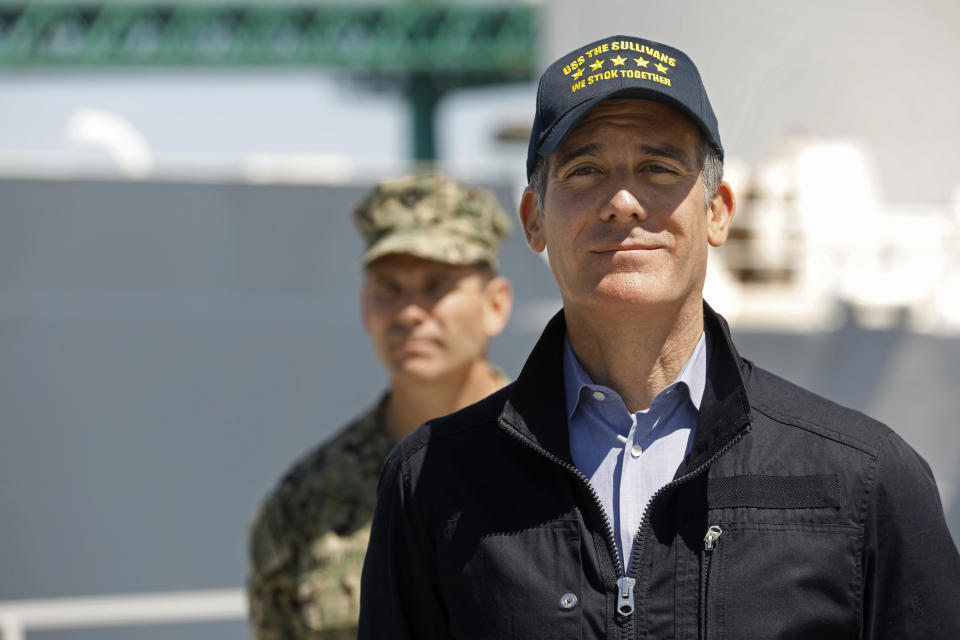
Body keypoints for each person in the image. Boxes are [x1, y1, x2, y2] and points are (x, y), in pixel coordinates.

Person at [358, 35, 960, 639]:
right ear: (534, 219)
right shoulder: (432, 481)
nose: (622, 202)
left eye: (659, 168)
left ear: (719, 211)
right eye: (585, 169)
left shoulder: (866, 479)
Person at [247, 173, 514, 639]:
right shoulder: (307, 504)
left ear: (495, 305)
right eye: (388, 288)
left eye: (436, 285)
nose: (408, 312)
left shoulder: (567, 461)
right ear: (366, 306)